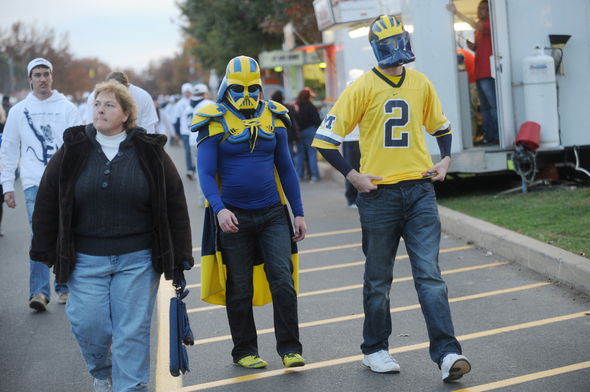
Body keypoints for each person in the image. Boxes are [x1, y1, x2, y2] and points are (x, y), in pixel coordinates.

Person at [312, 15, 471, 382]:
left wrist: (445, 158)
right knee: (378, 279)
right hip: (379, 195)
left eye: (399, 42)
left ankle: (448, 354)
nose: (397, 52)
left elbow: (441, 126)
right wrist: (353, 176)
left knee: (430, 276)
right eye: (390, 45)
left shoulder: (420, 83)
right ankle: (375, 349)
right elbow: (324, 140)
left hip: (419, 191)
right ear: (378, 48)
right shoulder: (362, 87)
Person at [29, 79, 193, 392]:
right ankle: (103, 372)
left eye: (109, 105)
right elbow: (48, 200)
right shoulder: (73, 149)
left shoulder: (150, 151)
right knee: (90, 325)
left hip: (138, 259)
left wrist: (180, 254)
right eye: (96, 104)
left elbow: (174, 203)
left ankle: (129, 385)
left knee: (132, 330)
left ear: (126, 113)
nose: (100, 110)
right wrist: (45, 248)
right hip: (85, 260)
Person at [192, 55, 306, 369]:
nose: (247, 95)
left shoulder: (275, 115)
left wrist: (298, 212)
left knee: (283, 279)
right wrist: (218, 210)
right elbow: (204, 172)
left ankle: (290, 348)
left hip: (272, 212)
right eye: (239, 88)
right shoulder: (213, 118)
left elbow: (286, 168)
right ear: (227, 85)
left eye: (253, 88)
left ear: (260, 86)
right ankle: (244, 350)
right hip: (234, 216)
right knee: (239, 285)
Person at [0, 58, 80, 311]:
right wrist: (6, 185)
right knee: (39, 233)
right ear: (30, 79)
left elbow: (79, 148)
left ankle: (65, 286)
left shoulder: (67, 108)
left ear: (52, 77)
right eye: (37, 74)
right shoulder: (18, 111)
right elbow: (9, 149)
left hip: (65, 181)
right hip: (34, 181)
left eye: (46, 74)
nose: (42, 78)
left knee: (66, 231)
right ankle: (39, 292)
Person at [447, 0, 498, 145]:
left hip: (488, 74)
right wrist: (474, 47)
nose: (480, 11)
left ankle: (496, 136)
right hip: (480, 74)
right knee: (486, 108)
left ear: (489, 12)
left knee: (492, 107)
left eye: (483, 9)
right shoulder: (479, 29)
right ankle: (489, 136)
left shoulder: (489, 24)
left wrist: (456, 13)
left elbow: (476, 25)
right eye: (479, 8)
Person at [85, 71, 159, 134]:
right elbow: (91, 126)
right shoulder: (95, 96)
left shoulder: (143, 97)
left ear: (128, 86)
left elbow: (148, 131)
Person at [185, 83, 214, 206]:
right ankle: (212, 199)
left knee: (200, 171)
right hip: (205, 141)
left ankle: (201, 199)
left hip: (192, 141)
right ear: (204, 93)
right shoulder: (208, 104)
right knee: (212, 171)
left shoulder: (188, 106)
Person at [294, 87, 322, 183]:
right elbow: (316, 120)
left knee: (300, 154)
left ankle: (299, 175)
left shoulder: (297, 107)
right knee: (312, 154)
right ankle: (314, 175)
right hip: (310, 131)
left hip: (300, 132)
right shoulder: (310, 106)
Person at [271, 90, 300, 164]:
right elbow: (294, 121)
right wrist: (297, 133)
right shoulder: (287, 108)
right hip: (288, 134)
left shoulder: (270, 109)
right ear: (282, 98)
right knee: (289, 154)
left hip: (274, 135)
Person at [174, 83, 196, 179]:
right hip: (185, 131)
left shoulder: (195, 102)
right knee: (187, 151)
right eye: (186, 92)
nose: (187, 94)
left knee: (195, 151)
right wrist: (177, 133)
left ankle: (195, 168)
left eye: (189, 92)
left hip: (195, 130)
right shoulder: (179, 104)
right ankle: (190, 169)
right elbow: (177, 120)